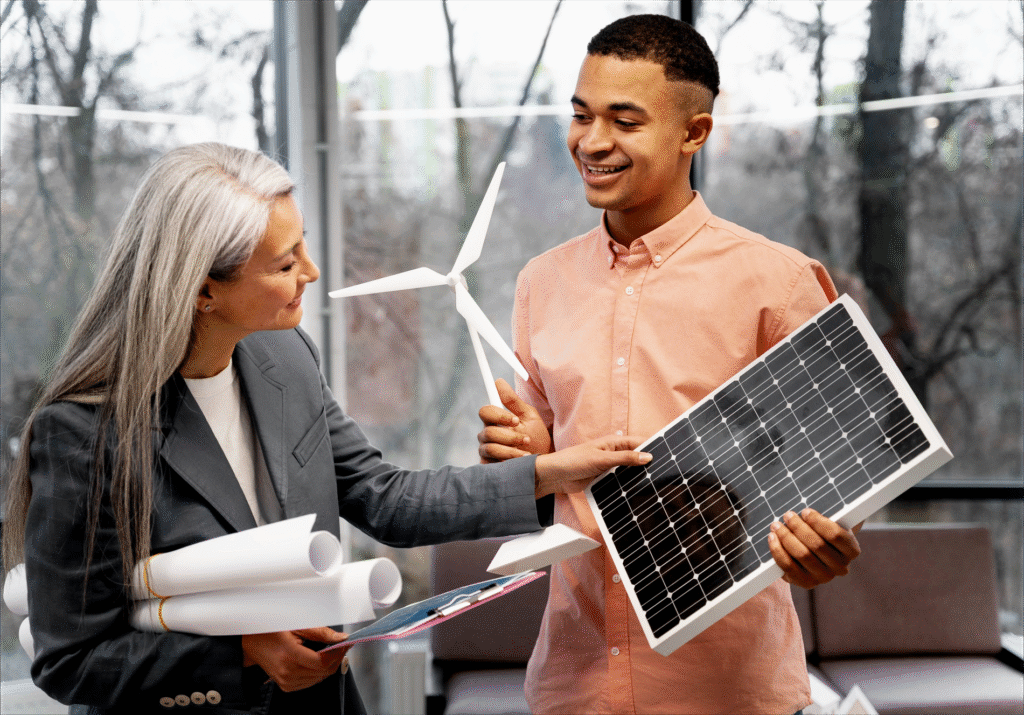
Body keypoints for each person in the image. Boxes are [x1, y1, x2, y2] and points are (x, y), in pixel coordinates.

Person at [1, 142, 653, 715]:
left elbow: (384, 497)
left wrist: (546, 474)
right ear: (203, 291)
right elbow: (71, 660)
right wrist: (243, 654)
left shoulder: (284, 358)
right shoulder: (83, 433)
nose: (311, 272)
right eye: (285, 264)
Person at [477, 15, 862, 715]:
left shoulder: (779, 283)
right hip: (574, 685)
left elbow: (839, 468)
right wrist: (524, 458)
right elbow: (543, 471)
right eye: (582, 115)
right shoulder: (540, 282)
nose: (592, 141)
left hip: (727, 692)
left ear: (694, 133)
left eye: (624, 121)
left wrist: (826, 543)